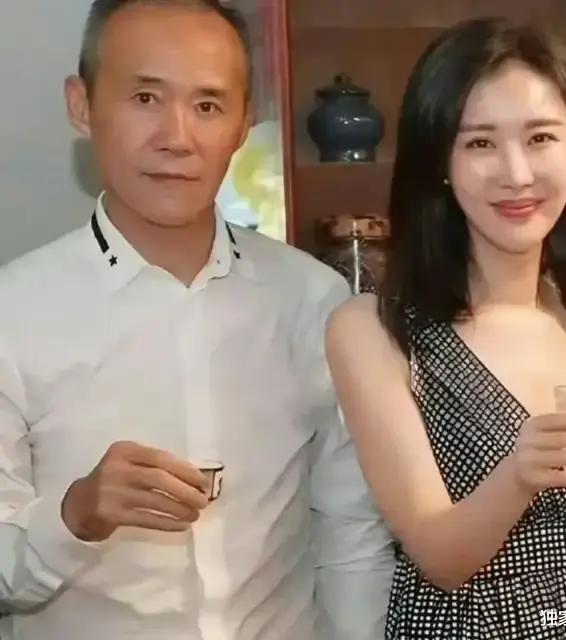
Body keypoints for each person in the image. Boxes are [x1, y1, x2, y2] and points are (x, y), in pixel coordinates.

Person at [0, 1, 394, 639]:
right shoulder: (13, 314)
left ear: (244, 123)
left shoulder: (314, 302)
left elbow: (350, 536)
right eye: (145, 98)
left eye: (208, 105)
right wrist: (75, 516)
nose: (176, 137)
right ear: (81, 104)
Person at [325, 17, 566, 639]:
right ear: (440, 160)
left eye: (541, 137)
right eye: (480, 144)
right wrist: (520, 472)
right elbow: (440, 558)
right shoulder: (374, 329)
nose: (516, 174)